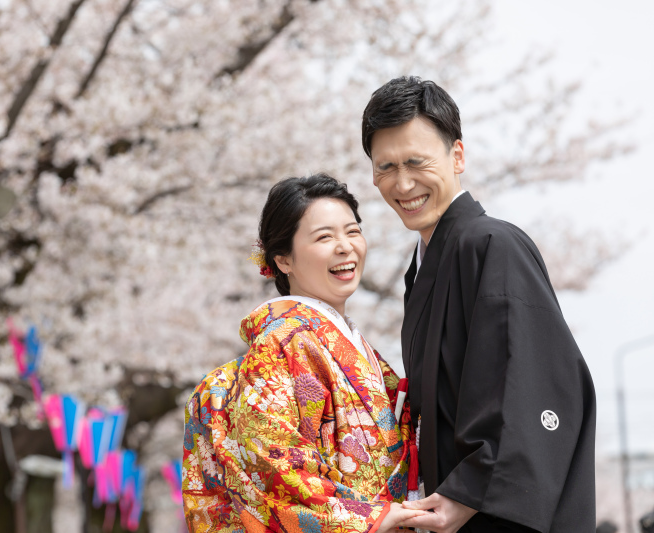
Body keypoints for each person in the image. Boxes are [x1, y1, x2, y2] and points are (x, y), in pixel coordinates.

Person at [360, 76, 597, 533]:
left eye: (416, 161)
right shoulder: (426, 264)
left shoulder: (492, 244)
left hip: (491, 514)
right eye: (385, 167)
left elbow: (528, 381)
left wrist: (468, 491)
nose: (402, 183)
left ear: (458, 156)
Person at [182, 174, 428, 532]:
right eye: (324, 237)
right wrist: (371, 518)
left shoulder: (342, 342)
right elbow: (271, 462)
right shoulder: (284, 342)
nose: (345, 247)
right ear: (283, 260)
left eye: (352, 231)